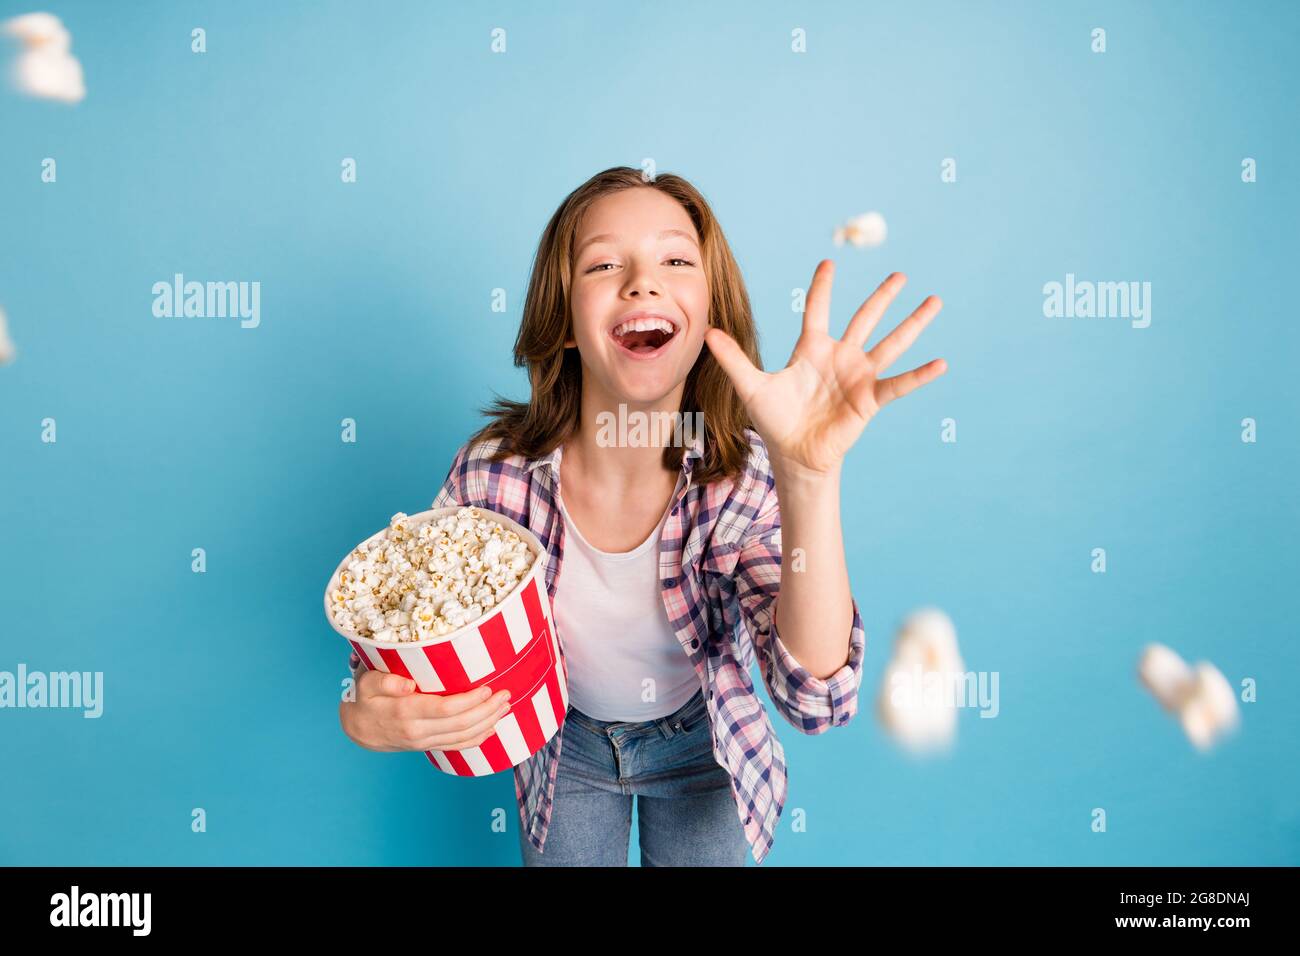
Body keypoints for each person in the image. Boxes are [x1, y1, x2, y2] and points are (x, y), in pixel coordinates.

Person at [339, 166, 947, 866]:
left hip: (705, 747)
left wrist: (808, 477)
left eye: (676, 260)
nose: (641, 282)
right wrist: (365, 715)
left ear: (709, 315)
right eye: (603, 264)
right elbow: (391, 657)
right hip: (561, 746)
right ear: (564, 323)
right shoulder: (492, 474)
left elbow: (816, 698)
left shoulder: (743, 479)